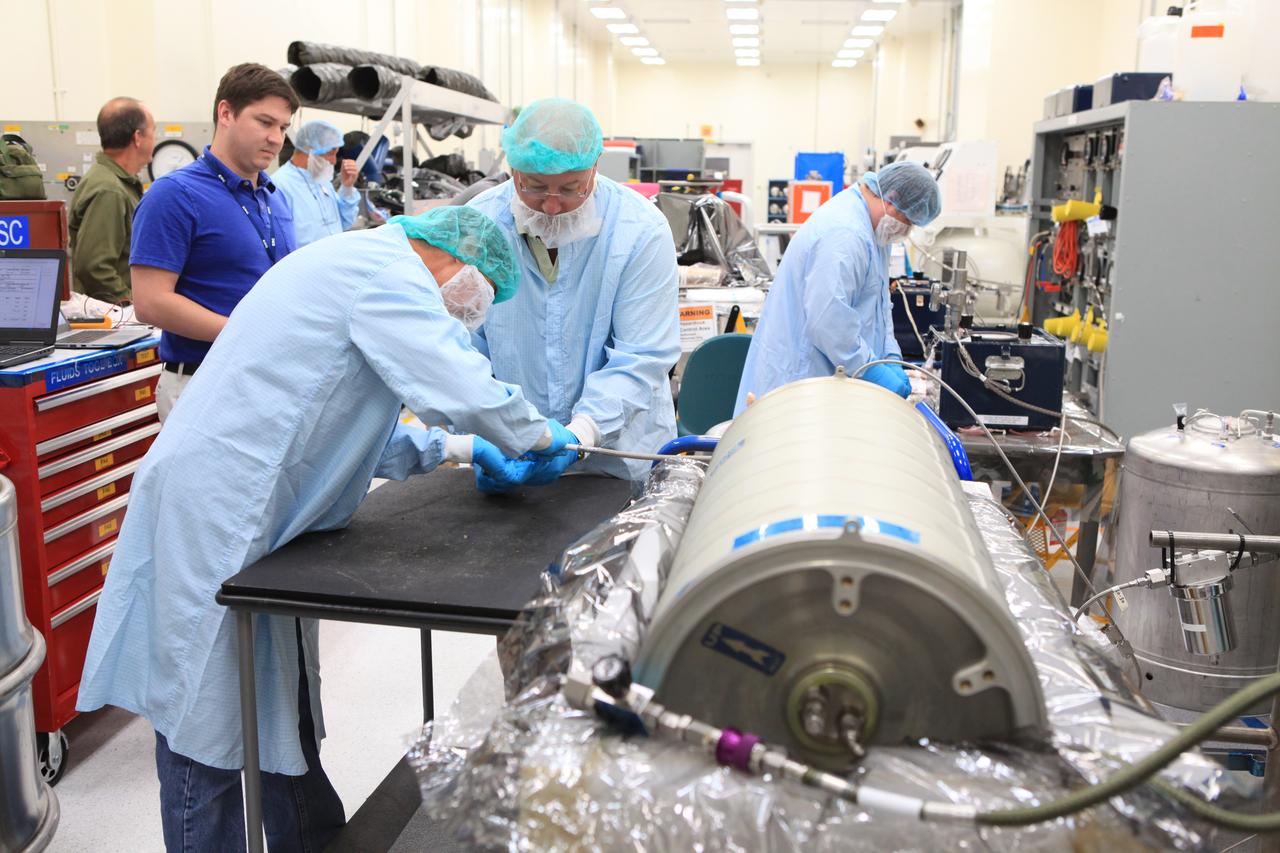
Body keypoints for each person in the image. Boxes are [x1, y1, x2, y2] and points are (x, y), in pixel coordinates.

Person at [76, 205, 575, 852]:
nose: (468, 314)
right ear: (458, 262)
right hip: (219, 510)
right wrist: (539, 434)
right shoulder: (388, 274)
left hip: (255, 505)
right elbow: (463, 384)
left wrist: (458, 449)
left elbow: (342, 421)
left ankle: (313, 841)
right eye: (478, 298)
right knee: (205, 718)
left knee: (280, 704)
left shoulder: (355, 264)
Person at [466, 98, 679, 485]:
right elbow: (467, 346)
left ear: (595, 167)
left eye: (570, 188)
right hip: (513, 453)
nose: (551, 206)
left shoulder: (639, 230)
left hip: (618, 460)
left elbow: (641, 356)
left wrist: (580, 435)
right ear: (513, 169)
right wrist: (490, 429)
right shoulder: (480, 224)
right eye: (533, 187)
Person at [130, 63, 300, 420]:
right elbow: (150, 302)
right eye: (265, 122)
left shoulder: (274, 197)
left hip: (267, 378)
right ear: (226, 113)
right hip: (203, 383)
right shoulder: (175, 195)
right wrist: (245, 334)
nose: (276, 138)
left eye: (283, 128)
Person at [735, 161, 941, 413]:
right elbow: (829, 322)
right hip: (802, 383)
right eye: (907, 220)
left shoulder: (875, 231)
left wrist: (890, 357)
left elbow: (880, 304)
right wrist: (871, 370)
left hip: (834, 381)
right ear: (892, 198)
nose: (906, 230)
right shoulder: (845, 234)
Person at [67, 97, 156, 303]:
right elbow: (94, 268)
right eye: (153, 131)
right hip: (115, 315)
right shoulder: (109, 190)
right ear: (138, 137)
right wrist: (131, 304)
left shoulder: (117, 183)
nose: (155, 139)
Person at [271, 119, 359, 247]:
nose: (334, 161)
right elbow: (281, 241)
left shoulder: (322, 180)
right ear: (310, 149)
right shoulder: (280, 185)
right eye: (330, 154)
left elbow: (344, 222)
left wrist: (347, 187)